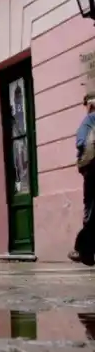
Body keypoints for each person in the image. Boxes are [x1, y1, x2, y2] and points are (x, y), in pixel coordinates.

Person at [70, 95, 95, 265]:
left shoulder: (89, 120)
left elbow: (80, 142)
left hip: (93, 168)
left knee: (92, 208)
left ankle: (83, 250)